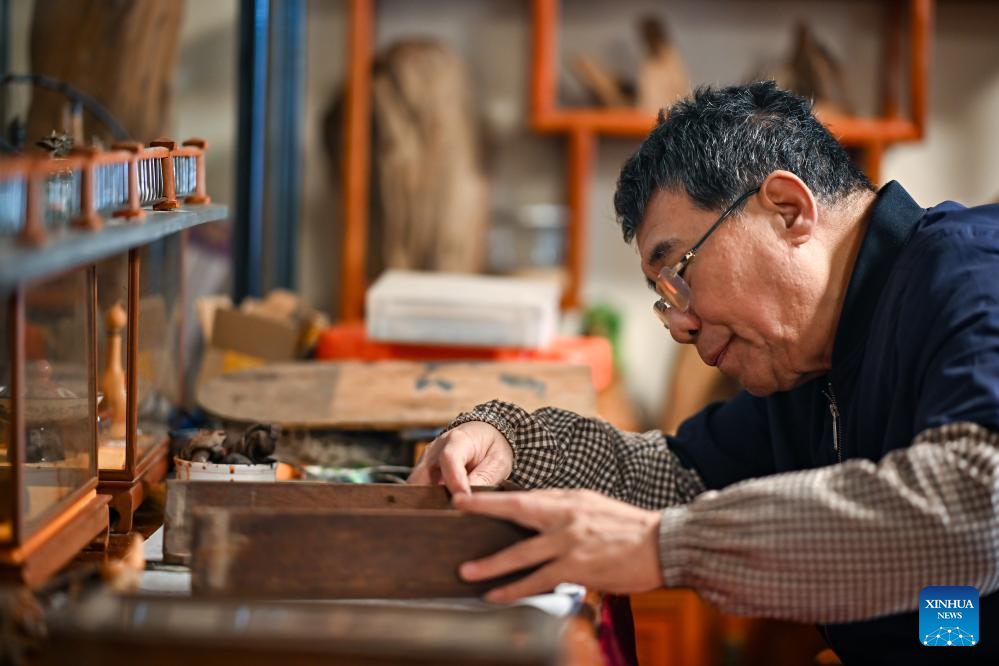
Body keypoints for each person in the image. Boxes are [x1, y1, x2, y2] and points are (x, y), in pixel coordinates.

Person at [408, 81, 999, 665]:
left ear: (788, 210)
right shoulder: (811, 367)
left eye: (680, 274)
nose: (680, 325)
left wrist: (665, 547)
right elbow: (675, 475)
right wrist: (511, 442)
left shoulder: (971, 278)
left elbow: (974, 508)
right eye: (665, 297)